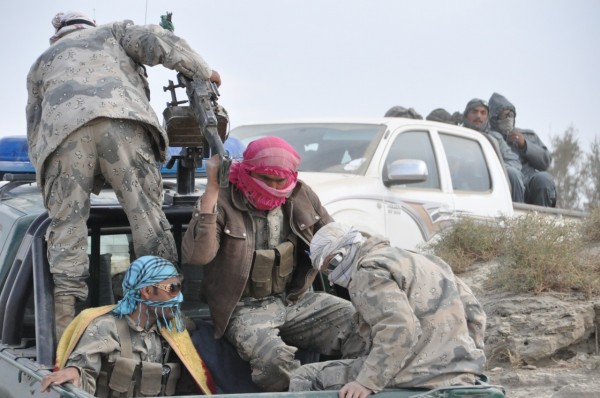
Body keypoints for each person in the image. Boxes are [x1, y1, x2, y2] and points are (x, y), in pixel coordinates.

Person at [26, 11, 222, 338]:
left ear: (55, 37)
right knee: (147, 217)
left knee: (67, 228)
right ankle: (167, 322)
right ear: (90, 25)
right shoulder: (113, 32)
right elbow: (156, 41)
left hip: (63, 139)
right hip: (122, 124)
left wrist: (49, 177)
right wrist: (202, 70)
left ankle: (65, 332)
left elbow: (35, 131)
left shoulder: (41, 64)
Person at [182, 136, 363, 392]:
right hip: (243, 308)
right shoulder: (221, 200)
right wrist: (211, 190)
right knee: (273, 360)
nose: (275, 186)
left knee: (362, 324)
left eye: (281, 180)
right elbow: (199, 255)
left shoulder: (300, 194)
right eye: (266, 179)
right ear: (247, 172)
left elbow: (335, 237)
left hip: (293, 300)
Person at [289, 222, 487, 397]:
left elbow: (400, 326)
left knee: (305, 377)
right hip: (461, 371)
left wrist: (367, 382)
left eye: (329, 268)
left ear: (340, 256)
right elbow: (475, 314)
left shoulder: (367, 271)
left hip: (418, 374)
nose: (332, 277)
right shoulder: (426, 260)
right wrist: (467, 364)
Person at [40, 255, 215, 396]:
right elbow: (84, 369)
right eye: (173, 288)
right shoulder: (105, 326)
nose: (180, 297)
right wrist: (74, 372)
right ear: (146, 291)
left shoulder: (174, 332)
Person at [488, 93, 557, 207]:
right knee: (512, 174)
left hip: (530, 185)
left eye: (511, 114)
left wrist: (525, 145)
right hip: (506, 187)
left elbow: (546, 161)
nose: (509, 118)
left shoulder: (527, 135)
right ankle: (516, 219)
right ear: (495, 118)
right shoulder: (489, 138)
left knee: (544, 179)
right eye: (505, 115)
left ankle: (543, 221)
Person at [462, 98, 525, 202]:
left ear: (487, 116)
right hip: (463, 184)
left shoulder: (496, 138)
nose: (479, 116)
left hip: (493, 184)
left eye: (483, 113)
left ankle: (516, 214)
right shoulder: (458, 135)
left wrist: (494, 168)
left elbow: (513, 162)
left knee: (513, 173)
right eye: (474, 112)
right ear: (466, 115)